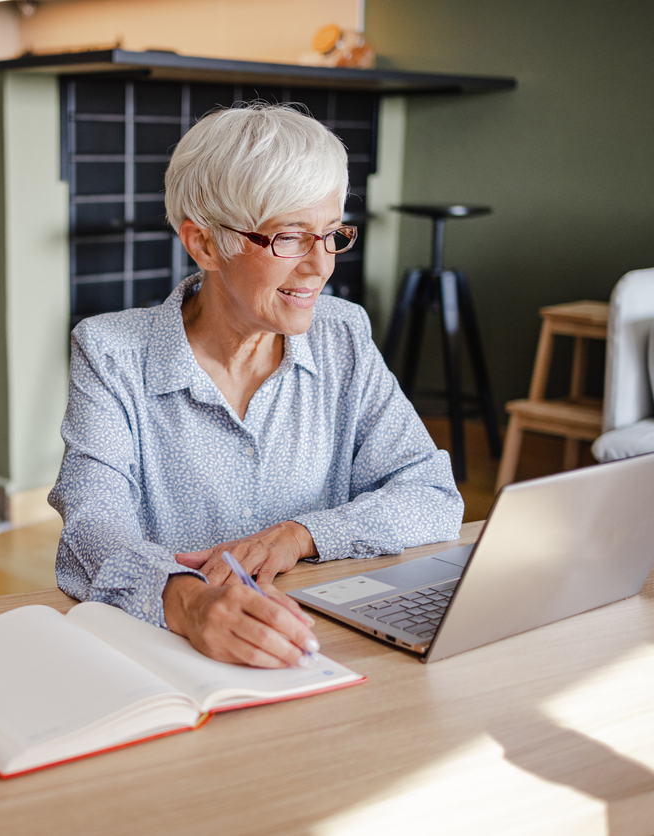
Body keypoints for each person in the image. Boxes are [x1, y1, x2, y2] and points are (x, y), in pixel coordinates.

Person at [49, 104, 463, 670]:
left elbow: (433, 497)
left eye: (332, 234)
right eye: (291, 238)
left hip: (315, 644)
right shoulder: (110, 353)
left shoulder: (343, 335)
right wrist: (190, 602)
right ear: (204, 244)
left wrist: (301, 534)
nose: (320, 266)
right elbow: (93, 524)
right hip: (170, 654)